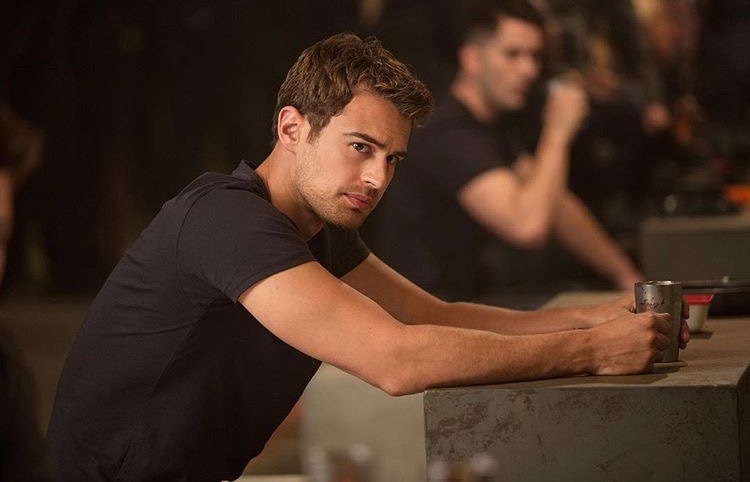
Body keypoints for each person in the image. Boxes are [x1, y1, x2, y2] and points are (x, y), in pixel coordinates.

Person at [47, 32, 687, 482]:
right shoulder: (227, 220)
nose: (377, 178)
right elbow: (396, 360)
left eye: (392, 159)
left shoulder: (320, 227)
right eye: (360, 147)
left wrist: (594, 317)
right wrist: (592, 352)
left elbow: (432, 316)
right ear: (292, 128)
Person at [377, 0, 643, 302]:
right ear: (473, 58)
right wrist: (557, 132)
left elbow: (557, 204)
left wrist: (625, 275)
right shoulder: (448, 132)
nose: (529, 70)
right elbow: (527, 227)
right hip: (429, 307)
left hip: (470, 299)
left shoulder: (494, 125)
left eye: (535, 56)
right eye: (513, 54)